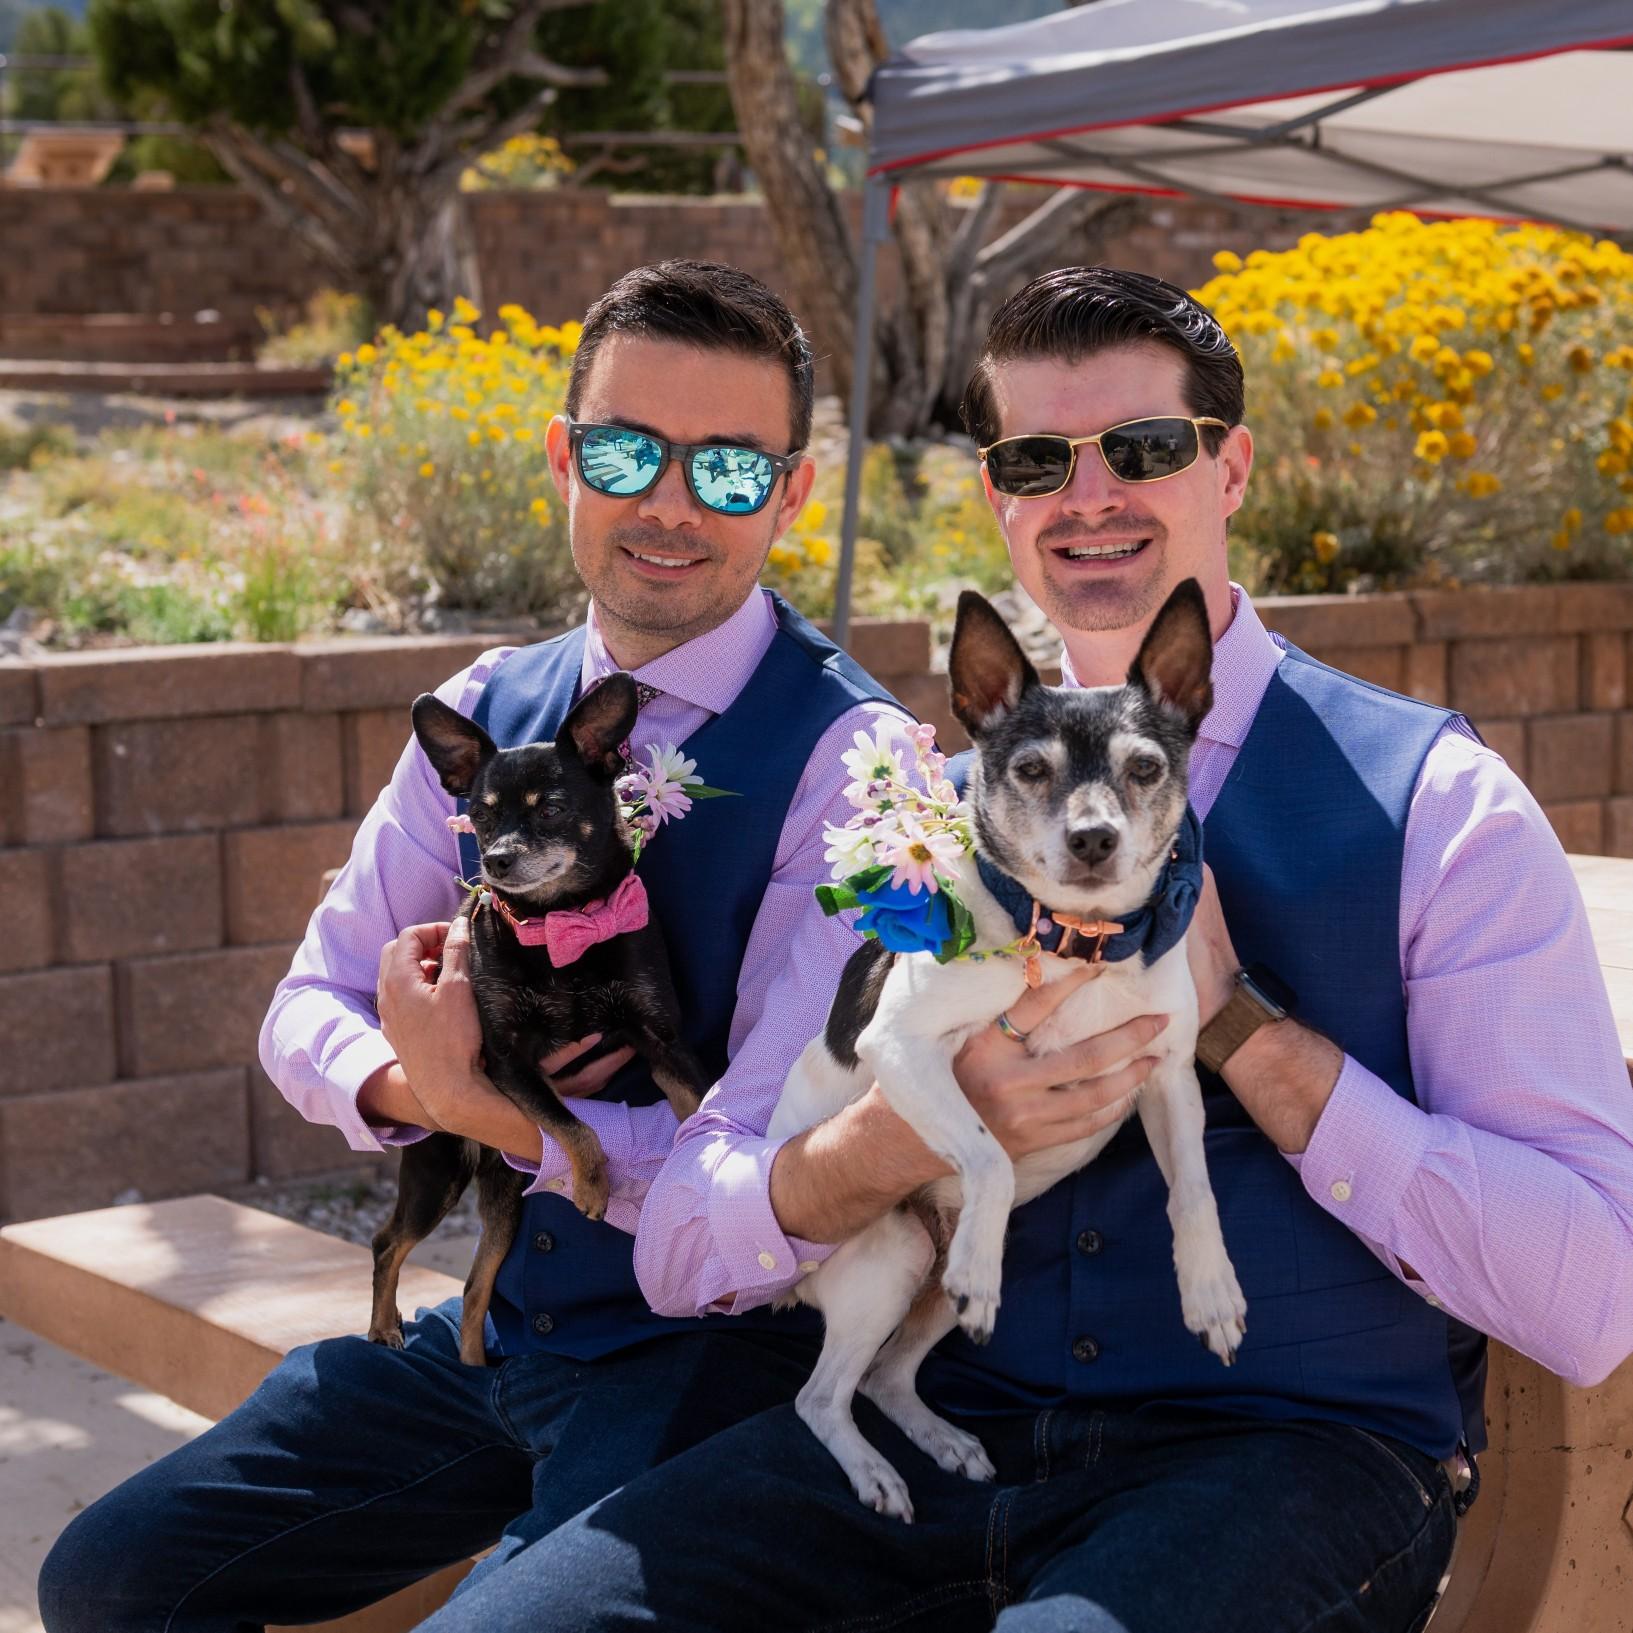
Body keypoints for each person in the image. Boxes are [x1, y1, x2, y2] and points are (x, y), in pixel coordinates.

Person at [468, 267, 1633, 1633]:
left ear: (1232, 466)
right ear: (998, 501)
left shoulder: (1435, 802)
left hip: (1282, 1457)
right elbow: (683, 1239)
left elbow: (1590, 1293)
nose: (1088, 497)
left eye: (1141, 449)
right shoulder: (911, 806)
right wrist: (892, 1143)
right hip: (940, 1416)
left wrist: (1246, 1034)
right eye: (1035, 459)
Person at [38, 258, 1092, 1633]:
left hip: (707, 1358)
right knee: (113, 1579)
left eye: (724, 470)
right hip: (487, 1331)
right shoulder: (483, 706)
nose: (665, 503)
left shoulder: (856, 767)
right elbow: (308, 1003)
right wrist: (424, 1089)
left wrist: (496, 1114)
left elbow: (765, 1170)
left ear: (792, 494)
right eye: (624, 451)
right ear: (561, 459)